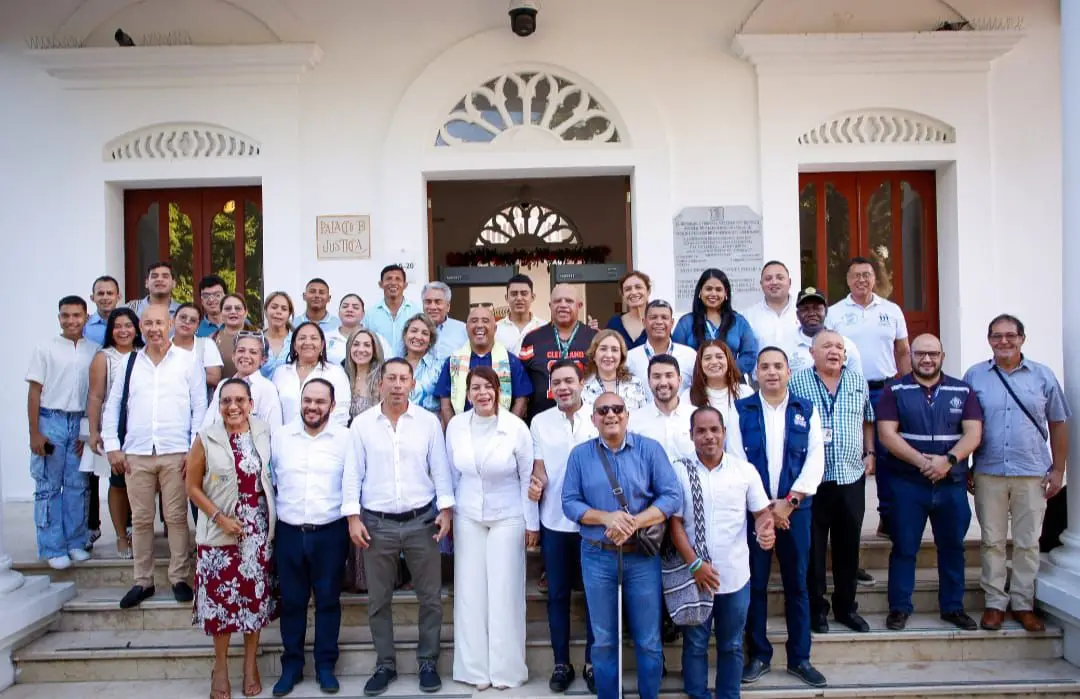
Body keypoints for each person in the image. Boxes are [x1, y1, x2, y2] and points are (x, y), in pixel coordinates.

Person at [345, 359, 455, 696]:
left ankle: (427, 661)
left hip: (422, 521)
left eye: (402, 379)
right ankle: (385, 664)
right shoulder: (362, 425)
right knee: (379, 599)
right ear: (380, 384)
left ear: (412, 384)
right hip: (377, 524)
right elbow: (353, 473)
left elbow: (440, 469)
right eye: (390, 378)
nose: (396, 384)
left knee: (430, 598)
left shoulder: (427, 423)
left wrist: (446, 510)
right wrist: (352, 517)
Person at [562, 392, 682, 699]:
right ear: (594, 419)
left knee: (648, 639)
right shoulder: (579, 455)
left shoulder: (649, 450)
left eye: (617, 409)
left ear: (627, 415)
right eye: (603, 410)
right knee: (602, 640)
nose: (610, 415)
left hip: (641, 557)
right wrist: (607, 518)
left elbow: (671, 496)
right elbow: (570, 502)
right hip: (597, 556)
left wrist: (632, 523)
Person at [726, 347, 827, 688]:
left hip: (795, 513)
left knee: (798, 585)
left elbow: (815, 459)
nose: (771, 372)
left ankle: (800, 658)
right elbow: (737, 459)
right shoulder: (740, 411)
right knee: (755, 585)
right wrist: (765, 510)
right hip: (755, 513)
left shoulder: (805, 409)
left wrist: (789, 503)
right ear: (755, 373)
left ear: (788, 372)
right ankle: (758, 655)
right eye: (765, 367)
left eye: (778, 366)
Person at [963, 314, 1069, 632]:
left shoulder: (1043, 376)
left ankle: (1023, 604)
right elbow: (964, 425)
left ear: (1023, 338)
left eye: (1010, 335)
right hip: (989, 471)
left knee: (1027, 542)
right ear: (989, 340)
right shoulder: (975, 376)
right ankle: (995, 603)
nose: (1004, 341)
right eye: (997, 336)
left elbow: (1059, 423)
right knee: (992, 541)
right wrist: (966, 465)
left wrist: (1059, 469)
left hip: (1032, 472)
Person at [877, 334, 983, 632]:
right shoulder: (894, 390)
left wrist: (947, 461)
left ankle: (953, 607)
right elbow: (887, 434)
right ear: (910, 355)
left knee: (952, 547)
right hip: (908, 483)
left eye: (933, 354)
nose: (927, 359)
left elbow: (973, 434)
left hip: (951, 484)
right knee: (904, 547)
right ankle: (899, 607)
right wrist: (924, 463)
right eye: (920, 354)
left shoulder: (962, 390)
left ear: (942, 356)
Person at [102, 305, 206, 608]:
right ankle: (143, 581)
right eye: (147, 323)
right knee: (142, 519)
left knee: (175, 518)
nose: (153, 328)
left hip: (176, 452)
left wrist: (194, 448)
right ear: (140, 327)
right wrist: (112, 445)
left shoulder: (187, 361)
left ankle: (178, 578)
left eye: (159, 322)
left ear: (170, 323)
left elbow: (199, 406)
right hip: (137, 452)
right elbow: (113, 405)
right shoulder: (129, 363)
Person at [670, 406, 775, 699]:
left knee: (731, 644)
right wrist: (695, 566)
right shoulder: (680, 470)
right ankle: (697, 694)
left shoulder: (744, 471)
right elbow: (674, 524)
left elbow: (762, 513)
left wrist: (766, 531)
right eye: (701, 431)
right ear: (691, 436)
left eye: (714, 430)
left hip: (735, 576)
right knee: (695, 643)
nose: (709, 437)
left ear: (724, 433)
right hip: (694, 577)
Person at [445, 366, 536, 690]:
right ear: (467, 393)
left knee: (505, 593)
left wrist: (532, 523)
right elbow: (451, 475)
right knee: (469, 593)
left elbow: (528, 478)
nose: (482, 393)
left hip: (508, 514)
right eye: (475, 388)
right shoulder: (456, 426)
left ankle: (506, 670)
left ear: (498, 391)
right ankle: (473, 670)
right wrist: (450, 514)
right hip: (468, 513)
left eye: (488, 387)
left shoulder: (515, 428)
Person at [186, 379, 277, 699]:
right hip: (218, 534)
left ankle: (250, 665)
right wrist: (218, 517)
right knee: (221, 606)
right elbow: (192, 486)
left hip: (256, 532)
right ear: (218, 404)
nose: (233, 406)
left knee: (254, 602)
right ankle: (221, 667)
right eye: (226, 400)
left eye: (240, 399)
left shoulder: (263, 431)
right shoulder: (206, 437)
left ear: (251, 403)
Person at [269, 379, 353, 696]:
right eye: (308, 400)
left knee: (328, 601)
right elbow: (271, 479)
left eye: (320, 402)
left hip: (330, 531)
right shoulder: (281, 437)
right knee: (291, 602)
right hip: (289, 531)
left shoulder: (346, 439)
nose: (312, 407)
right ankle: (291, 667)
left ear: (332, 406)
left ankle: (325, 666)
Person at [789, 330, 875, 634]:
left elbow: (867, 418)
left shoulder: (856, 381)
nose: (834, 351)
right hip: (813, 480)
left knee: (848, 546)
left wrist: (870, 451)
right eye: (826, 346)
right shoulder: (796, 382)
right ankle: (817, 609)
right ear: (812, 353)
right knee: (813, 549)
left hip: (851, 475)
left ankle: (846, 607)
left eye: (839, 347)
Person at [826, 257, 911, 537]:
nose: (862, 280)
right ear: (848, 280)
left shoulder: (891, 310)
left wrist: (906, 385)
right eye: (856, 276)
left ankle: (887, 515)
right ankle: (847, 519)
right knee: (853, 453)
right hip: (848, 391)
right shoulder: (835, 313)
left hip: (884, 390)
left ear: (875, 279)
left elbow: (902, 350)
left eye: (867, 275)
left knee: (887, 454)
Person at [528, 359, 597, 693]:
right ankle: (561, 663)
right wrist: (535, 487)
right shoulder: (540, 422)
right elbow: (538, 469)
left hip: (593, 523)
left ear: (582, 383)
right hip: (554, 521)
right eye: (558, 382)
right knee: (557, 596)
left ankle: (593, 662)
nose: (564, 387)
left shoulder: (599, 416)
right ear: (551, 387)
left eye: (570, 380)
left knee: (595, 596)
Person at [26, 295, 98, 569]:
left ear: (85, 317)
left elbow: (94, 394)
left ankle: (75, 541)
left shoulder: (93, 350)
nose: (71, 321)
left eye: (76, 315)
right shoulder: (45, 348)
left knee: (77, 484)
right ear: (59, 318)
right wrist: (35, 433)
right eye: (65, 316)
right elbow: (34, 393)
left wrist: (86, 431)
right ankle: (52, 545)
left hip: (78, 421)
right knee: (48, 485)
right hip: (50, 419)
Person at [86, 307, 145, 559]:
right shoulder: (104, 357)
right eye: (117, 326)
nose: (123, 331)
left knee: (140, 483)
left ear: (136, 328)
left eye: (128, 325)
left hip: (142, 427)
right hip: (115, 429)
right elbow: (96, 396)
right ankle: (122, 536)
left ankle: (139, 534)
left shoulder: (144, 354)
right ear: (111, 330)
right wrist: (93, 430)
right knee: (118, 482)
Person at [436, 304, 531, 427]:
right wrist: (455, 432)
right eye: (474, 321)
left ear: (495, 328)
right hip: (464, 434)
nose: (479, 325)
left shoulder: (511, 361)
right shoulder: (453, 361)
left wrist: (508, 430)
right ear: (466, 328)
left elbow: (521, 400)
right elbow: (445, 402)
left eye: (485, 321)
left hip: (501, 434)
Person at [520, 284, 597, 420]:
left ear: (579, 305)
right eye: (557, 301)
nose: (563, 305)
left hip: (586, 419)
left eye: (569, 301)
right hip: (542, 419)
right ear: (550, 306)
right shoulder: (532, 338)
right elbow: (522, 383)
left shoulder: (595, 338)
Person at [672, 268, 758, 375]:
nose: (713, 293)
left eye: (718, 289)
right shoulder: (686, 322)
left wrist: (728, 373)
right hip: (695, 383)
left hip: (731, 383)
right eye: (708, 289)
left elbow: (750, 354)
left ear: (726, 293)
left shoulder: (739, 322)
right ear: (700, 291)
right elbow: (676, 353)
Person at [271, 321, 351, 427]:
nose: (308, 342)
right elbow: (274, 414)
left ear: (322, 345)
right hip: (286, 440)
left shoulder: (336, 373)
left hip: (325, 440)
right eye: (302, 338)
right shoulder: (280, 373)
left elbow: (341, 415)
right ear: (294, 344)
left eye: (314, 338)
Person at [203, 333, 283, 430]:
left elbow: (273, 430)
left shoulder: (267, 389)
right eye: (241, 351)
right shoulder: (223, 385)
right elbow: (207, 425)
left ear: (263, 360)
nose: (245, 356)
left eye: (253, 352)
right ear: (233, 356)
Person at [629, 354, 695, 462]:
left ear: (679, 380)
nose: (663, 383)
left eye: (669, 376)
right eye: (657, 377)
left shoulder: (695, 416)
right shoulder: (633, 422)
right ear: (649, 382)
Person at [626, 299, 696, 397]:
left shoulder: (690, 355)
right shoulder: (630, 358)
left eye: (664, 317)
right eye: (653, 317)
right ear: (644, 322)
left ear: (672, 323)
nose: (659, 322)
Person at [788, 287, 863, 376]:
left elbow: (858, 383)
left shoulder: (846, 344)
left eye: (817, 308)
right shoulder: (786, 346)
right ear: (797, 314)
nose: (811, 313)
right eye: (805, 309)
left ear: (826, 311)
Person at [685, 340, 753, 435]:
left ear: (728, 361)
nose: (714, 362)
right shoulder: (688, 395)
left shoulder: (745, 392)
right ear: (700, 364)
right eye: (707, 358)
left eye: (719, 357)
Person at [580, 329, 649, 411]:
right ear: (594, 354)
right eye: (603, 349)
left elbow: (643, 417)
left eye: (614, 350)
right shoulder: (582, 387)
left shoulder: (635, 384)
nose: (609, 355)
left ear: (621, 356)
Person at [743, 260, 798, 351]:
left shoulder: (803, 311)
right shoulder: (748, 316)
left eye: (780, 278)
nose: (774, 282)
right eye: (768, 279)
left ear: (789, 282)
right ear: (761, 284)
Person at [172, 302, 224, 394]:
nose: (187, 322)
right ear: (173, 320)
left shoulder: (206, 344)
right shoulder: (162, 347)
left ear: (197, 326)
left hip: (201, 403)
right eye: (183, 317)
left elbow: (214, 378)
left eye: (193, 320)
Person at [326, 294, 393, 366]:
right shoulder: (326, 337)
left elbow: (389, 366)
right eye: (345, 306)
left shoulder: (377, 339)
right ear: (339, 313)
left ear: (363, 314)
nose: (350, 310)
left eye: (355, 307)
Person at [365, 265, 420, 351]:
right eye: (389, 279)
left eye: (398, 279)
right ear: (381, 284)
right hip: (380, 364)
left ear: (405, 285)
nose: (393, 283)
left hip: (408, 364)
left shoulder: (416, 312)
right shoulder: (370, 315)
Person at [495, 274, 547, 354]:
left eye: (524, 293)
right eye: (514, 294)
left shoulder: (544, 328)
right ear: (506, 298)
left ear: (532, 297)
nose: (519, 298)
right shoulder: (495, 330)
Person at [401, 313, 442, 414]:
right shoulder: (394, 366)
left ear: (430, 340)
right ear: (405, 335)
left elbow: (445, 405)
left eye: (424, 333)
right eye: (414, 331)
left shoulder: (439, 367)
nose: (418, 337)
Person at [343, 327, 385, 420]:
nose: (361, 349)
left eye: (367, 345)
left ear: (374, 350)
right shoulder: (342, 376)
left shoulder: (382, 379)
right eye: (356, 344)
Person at [422, 281, 468, 360]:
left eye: (438, 302)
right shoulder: (414, 330)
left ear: (448, 306)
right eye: (428, 302)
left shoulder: (463, 330)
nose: (432, 307)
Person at [605, 270, 651, 349]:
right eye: (628, 289)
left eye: (638, 287)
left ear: (648, 291)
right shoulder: (614, 324)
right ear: (623, 295)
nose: (633, 292)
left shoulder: (657, 321)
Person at [213, 293, 253, 379]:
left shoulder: (258, 337)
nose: (233, 311)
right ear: (221, 313)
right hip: (222, 390)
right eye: (228, 308)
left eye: (238, 308)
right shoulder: (212, 339)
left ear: (246, 313)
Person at [261, 291, 294, 379]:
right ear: (265, 311)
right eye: (274, 307)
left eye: (284, 309)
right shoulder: (256, 340)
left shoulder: (297, 340)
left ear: (289, 314)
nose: (278, 311)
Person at [84, 275, 121, 346]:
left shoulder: (129, 325)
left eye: (110, 293)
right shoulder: (84, 325)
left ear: (119, 297)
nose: (105, 297)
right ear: (92, 298)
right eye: (100, 294)